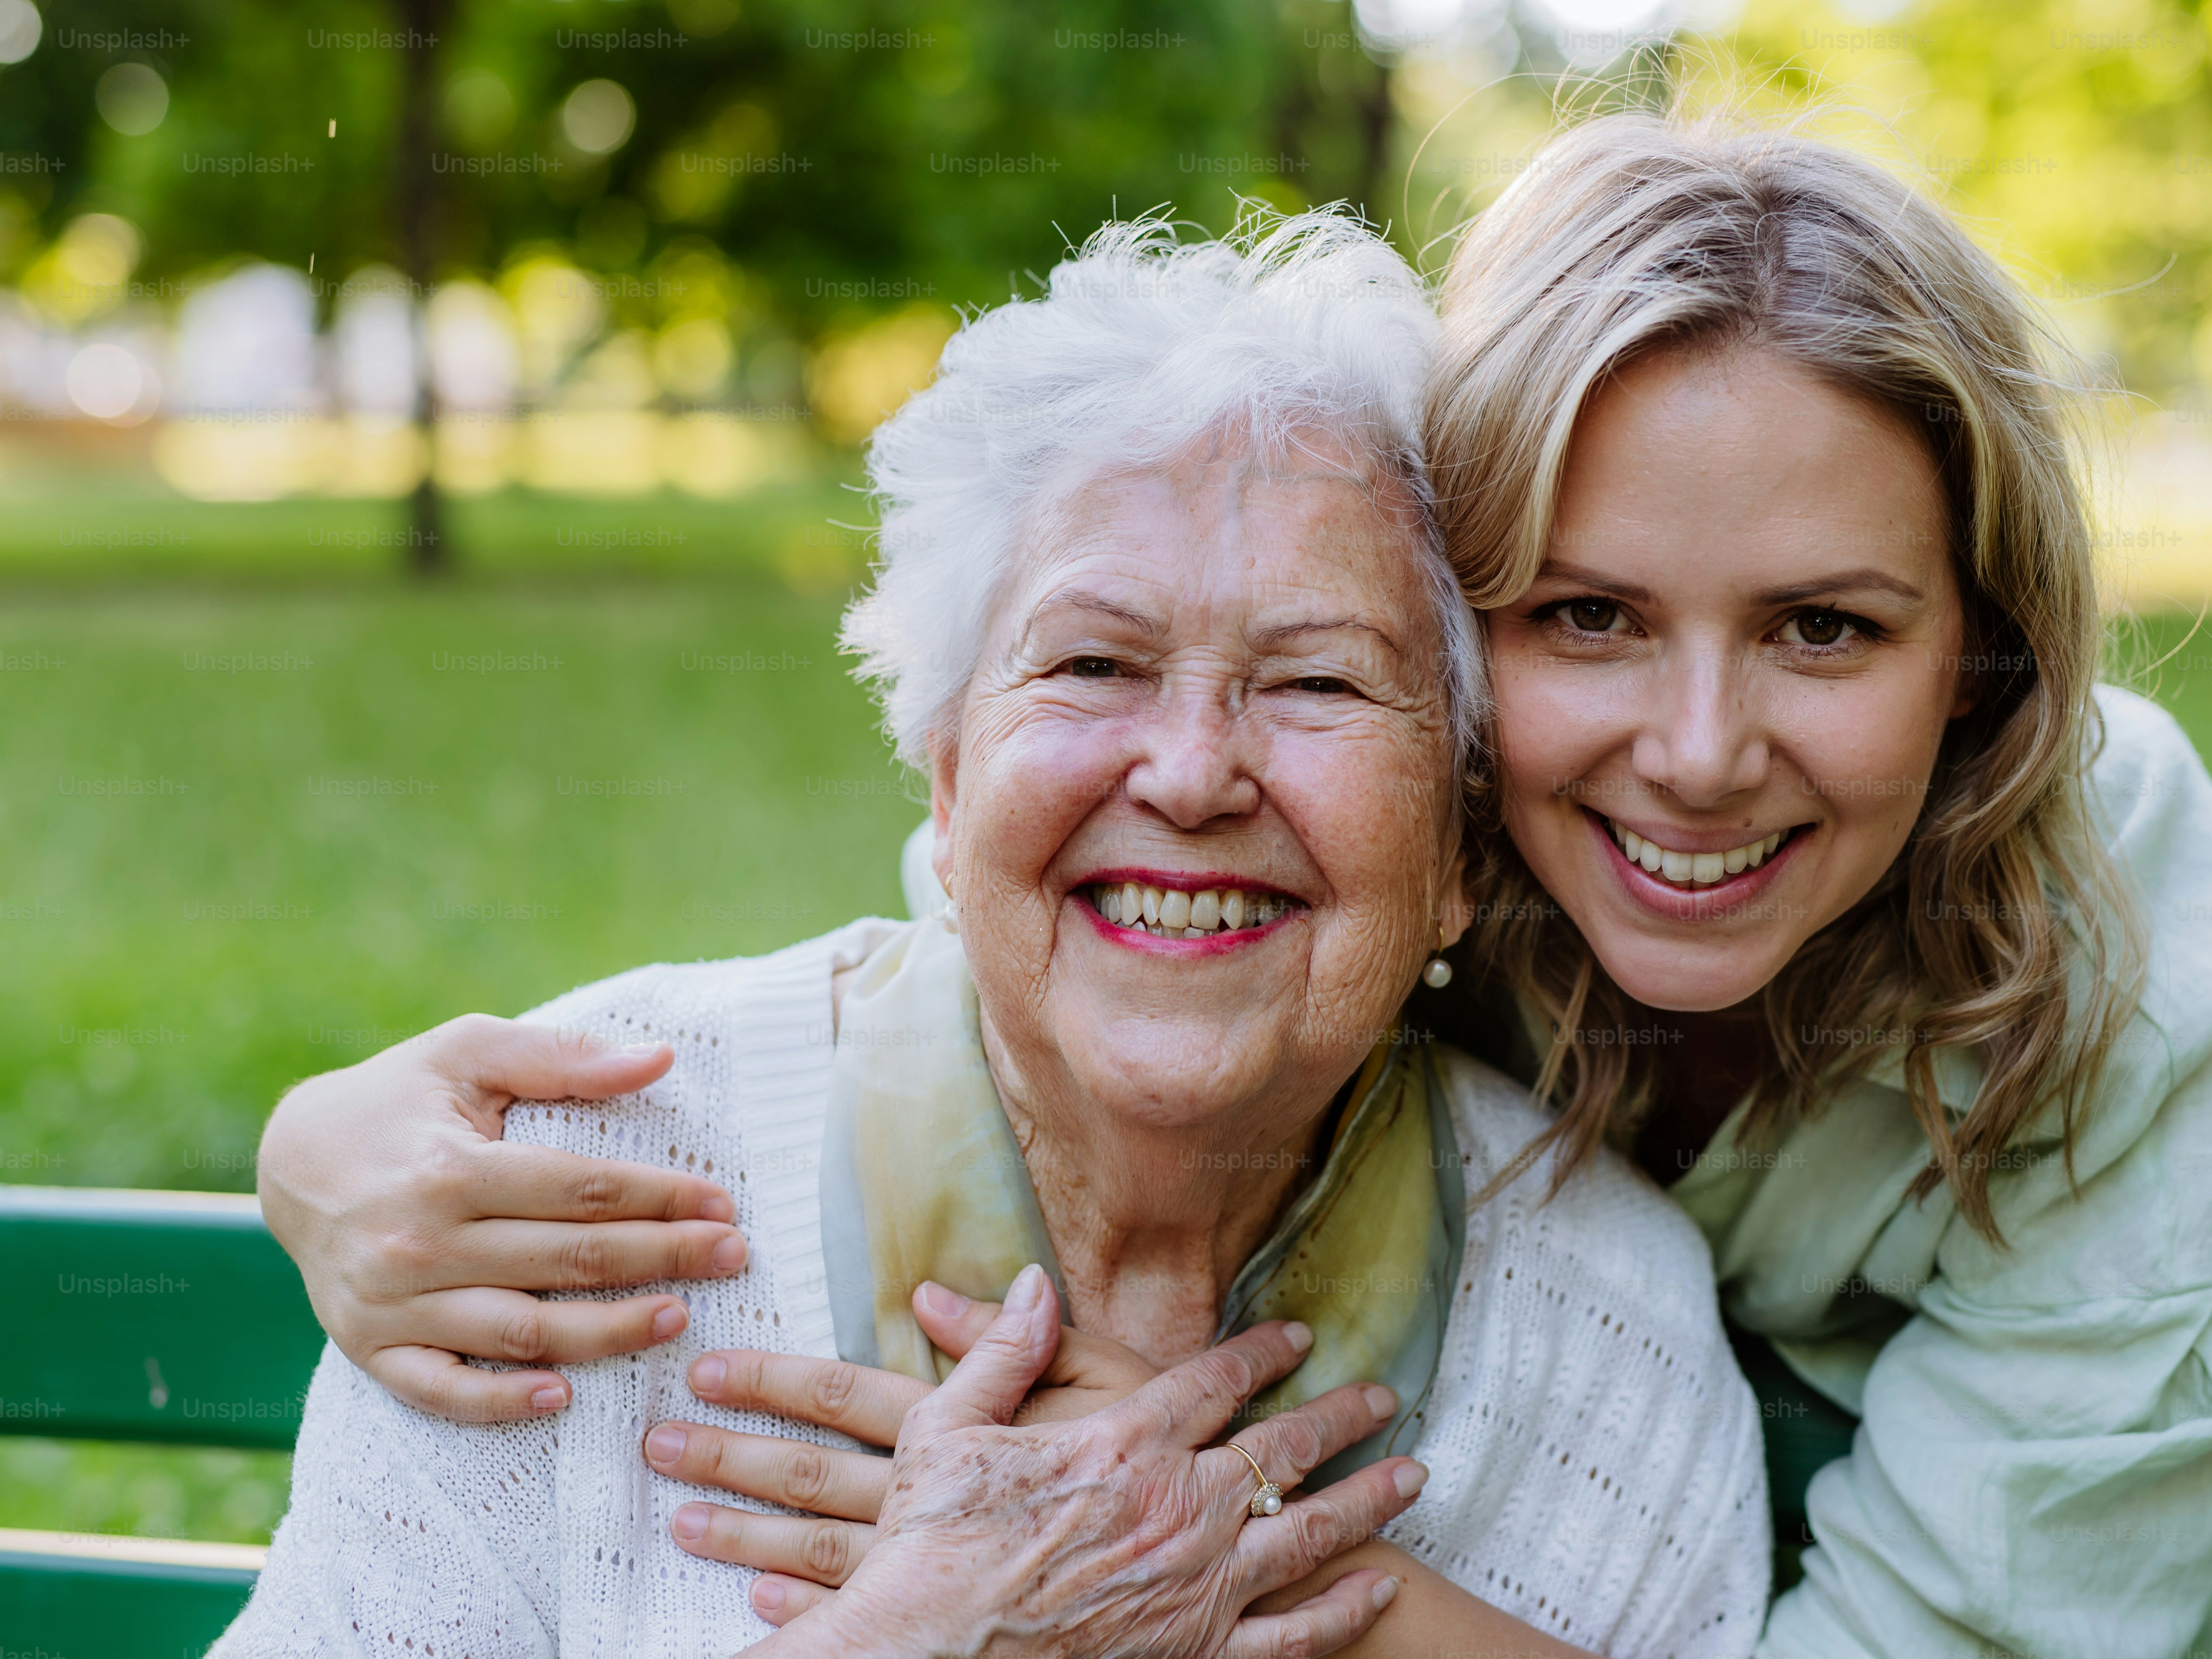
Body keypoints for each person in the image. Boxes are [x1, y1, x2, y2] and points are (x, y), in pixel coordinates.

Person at [254, 112, 2212, 1659]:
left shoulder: (2176, 1036)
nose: (1698, 750)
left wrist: (1194, 1542)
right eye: (1591, 612)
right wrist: (312, 1146)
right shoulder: (1354, 831)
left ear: (1985, 642)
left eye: (1825, 626)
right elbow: (1080, 885)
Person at [216, 211, 1770, 1659]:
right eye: (1093, 663)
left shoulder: (1604, 1339)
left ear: (1458, 848)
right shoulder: (557, 1205)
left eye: (1316, 682)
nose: (1189, 770)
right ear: (949, 790)